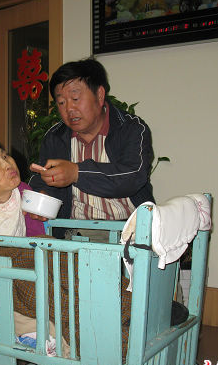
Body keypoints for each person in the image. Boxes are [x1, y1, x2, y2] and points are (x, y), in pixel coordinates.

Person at [29, 58, 154, 238]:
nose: (69, 109)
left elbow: (132, 176)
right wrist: (43, 194)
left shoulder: (131, 129)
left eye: (75, 98)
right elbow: (44, 182)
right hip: (74, 232)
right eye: (61, 102)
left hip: (128, 232)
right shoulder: (55, 137)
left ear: (100, 95)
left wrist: (76, 173)